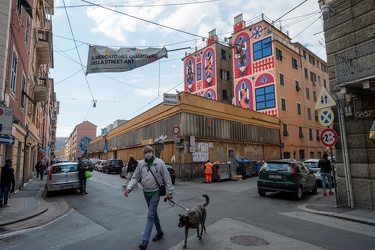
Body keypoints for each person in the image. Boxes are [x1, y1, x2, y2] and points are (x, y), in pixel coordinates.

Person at [124, 145, 173, 250]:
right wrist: (129, 188)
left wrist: (169, 192)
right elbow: (135, 177)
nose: (147, 153)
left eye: (149, 151)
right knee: (153, 213)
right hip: (146, 193)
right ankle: (159, 231)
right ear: (144, 153)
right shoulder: (141, 164)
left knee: (150, 215)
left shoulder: (159, 163)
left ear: (152, 151)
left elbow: (167, 178)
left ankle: (144, 241)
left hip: (155, 192)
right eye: (145, 152)